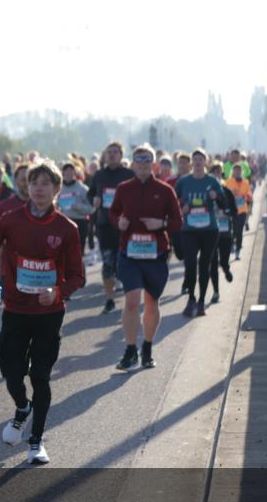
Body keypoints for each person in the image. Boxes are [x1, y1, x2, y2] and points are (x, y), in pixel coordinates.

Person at [0, 159, 85, 464]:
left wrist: (59, 291)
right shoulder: (10, 219)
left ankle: (36, 441)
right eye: (34, 183)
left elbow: (77, 275)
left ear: (57, 189)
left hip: (48, 313)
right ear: (26, 187)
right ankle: (21, 407)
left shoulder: (66, 229)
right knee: (9, 366)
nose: (39, 189)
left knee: (40, 376)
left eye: (46, 184)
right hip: (15, 309)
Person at [110, 144, 184, 371]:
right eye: (138, 160)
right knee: (132, 301)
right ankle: (130, 349)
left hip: (156, 254)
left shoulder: (164, 190)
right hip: (129, 254)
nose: (142, 164)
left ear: (153, 164)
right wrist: (118, 222)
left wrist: (160, 224)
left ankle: (148, 348)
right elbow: (113, 213)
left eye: (146, 160)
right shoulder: (124, 188)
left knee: (151, 303)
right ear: (132, 164)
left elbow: (178, 222)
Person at [174, 149, 225, 317]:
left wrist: (215, 195)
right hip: (189, 230)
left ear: (205, 162)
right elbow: (173, 202)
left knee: (204, 265)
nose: (197, 162)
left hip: (209, 230)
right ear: (190, 163)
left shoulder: (213, 181)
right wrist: (182, 208)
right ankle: (191, 298)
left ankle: (201, 301)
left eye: (200, 159)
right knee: (190, 264)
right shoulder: (183, 181)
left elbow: (224, 203)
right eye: (194, 159)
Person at [87, 142, 134, 314]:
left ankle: (130, 297)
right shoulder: (99, 175)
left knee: (124, 263)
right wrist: (94, 200)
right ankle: (109, 299)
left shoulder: (129, 174)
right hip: (105, 224)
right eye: (109, 152)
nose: (112, 155)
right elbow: (90, 193)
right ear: (105, 156)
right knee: (107, 262)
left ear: (121, 155)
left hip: (125, 226)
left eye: (115, 152)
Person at [208, 162, 235, 303]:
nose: (216, 175)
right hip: (210, 232)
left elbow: (234, 211)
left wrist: (225, 212)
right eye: (213, 172)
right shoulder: (206, 192)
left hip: (225, 232)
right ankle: (216, 292)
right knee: (212, 262)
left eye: (218, 172)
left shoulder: (226, 191)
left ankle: (226, 268)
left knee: (223, 260)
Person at [57, 162, 95, 254]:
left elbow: (92, 208)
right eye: (66, 171)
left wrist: (78, 207)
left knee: (79, 251)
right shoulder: (58, 189)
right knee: (65, 251)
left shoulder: (82, 188)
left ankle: (80, 267)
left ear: (75, 173)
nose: (69, 173)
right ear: (63, 173)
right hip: (64, 222)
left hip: (80, 222)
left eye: (71, 171)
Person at [225, 162, 253, 260]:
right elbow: (224, 194)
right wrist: (231, 194)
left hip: (242, 210)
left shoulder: (245, 182)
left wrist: (247, 196)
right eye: (235, 170)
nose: (237, 172)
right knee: (232, 231)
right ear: (233, 171)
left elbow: (249, 194)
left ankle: (238, 251)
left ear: (241, 171)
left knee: (239, 231)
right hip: (232, 210)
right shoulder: (228, 182)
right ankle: (231, 244)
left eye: (239, 170)